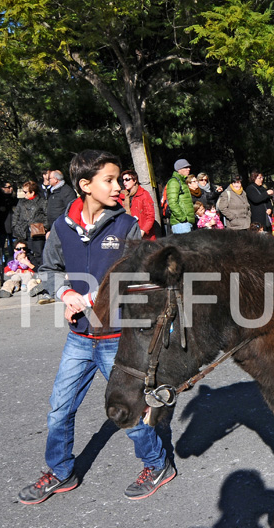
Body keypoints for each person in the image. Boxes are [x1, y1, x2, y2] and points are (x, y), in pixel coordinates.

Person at [18, 149, 173, 505]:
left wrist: (92, 300)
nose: (118, 186)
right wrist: (66, 293)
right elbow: (50, 270)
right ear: (85, 185)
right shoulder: (61, 228)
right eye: (110, 180)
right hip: (78, 339)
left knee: (126, 412)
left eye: (120, 179)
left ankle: (157, 464)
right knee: (60, 408)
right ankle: (60, 472)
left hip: (116, 339)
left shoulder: (127, 225)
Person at [12, 181, 48, 260]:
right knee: (25, 252)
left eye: (25, 192)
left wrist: (44, 226)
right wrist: (15, 226)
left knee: (39, 253)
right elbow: (16, 214)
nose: (24, 194)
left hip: (37, 232)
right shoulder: (21, 202)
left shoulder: (42, 202)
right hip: (23, 231)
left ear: (32, 192)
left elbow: (47, 215)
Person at [119, 170, 156, 240]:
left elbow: (150, 216)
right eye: (123, 180)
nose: (124, 182)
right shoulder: (122, 196)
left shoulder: (144, 194)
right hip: (128, 234)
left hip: (144, 236)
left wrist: (142, 231)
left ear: (135, 180)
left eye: (127, 179)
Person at [165, 159, 196, 234]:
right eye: (185, 167)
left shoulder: (182, 181)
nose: (188, 169)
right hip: (181, 224)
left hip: (186, 223)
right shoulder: (174, 182)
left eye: (188, 167)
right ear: (179, 169)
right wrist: (182, 218)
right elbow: (172, 203)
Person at [45, 170, 76, 235]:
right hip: (53, 227)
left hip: (63, 228)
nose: (48, 180)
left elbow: (71, 209)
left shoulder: (66, 191)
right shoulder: (52, 191)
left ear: (56, 179)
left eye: (49, 178)